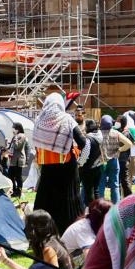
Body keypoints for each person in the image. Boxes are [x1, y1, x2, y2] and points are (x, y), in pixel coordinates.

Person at [32, 90, 86, 233]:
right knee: (69, 200)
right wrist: (72, 149)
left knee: (47, 200)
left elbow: (35, 144)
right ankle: (70, 232)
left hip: (47, 168)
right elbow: (82, 141)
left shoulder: (38, 120)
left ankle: (41, 231)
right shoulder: (66, 119)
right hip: (67, 167)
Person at [60, 198, 112, 268]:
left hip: (76, 262)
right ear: (101, 218)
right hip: (67, 268)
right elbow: (92, 261)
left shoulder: (91, 223)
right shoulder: (84, 229)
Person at [98, 114, 132, 202]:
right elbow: (129, 144)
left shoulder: (98, 133)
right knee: (115, 185)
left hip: (101, 161)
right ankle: (116, 206)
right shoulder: (115, 133)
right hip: (114, 160)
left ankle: (100, 205)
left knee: (101, 185)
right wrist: (119, 150)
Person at [77, 118, 105, 206]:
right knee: (96, 190)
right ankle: (98, 209)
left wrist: (79, 164)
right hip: (99, 166)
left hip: (88, 168)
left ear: (88, 127)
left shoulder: (88, 138)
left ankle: (91, 210)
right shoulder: (101, 135)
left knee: (89, 191)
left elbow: (85, 153)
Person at [7, 122, 30, 198]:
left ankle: (18, 192)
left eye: (14, 128)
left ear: (18, 128)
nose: (13, 129)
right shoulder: (16, 136)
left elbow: (17, 147)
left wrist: (15, 137)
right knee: (10, 175)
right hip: (13, 159)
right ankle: (14, 190)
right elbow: (12, 146)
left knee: (18, 177)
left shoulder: (22, 136)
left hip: (18, 160)